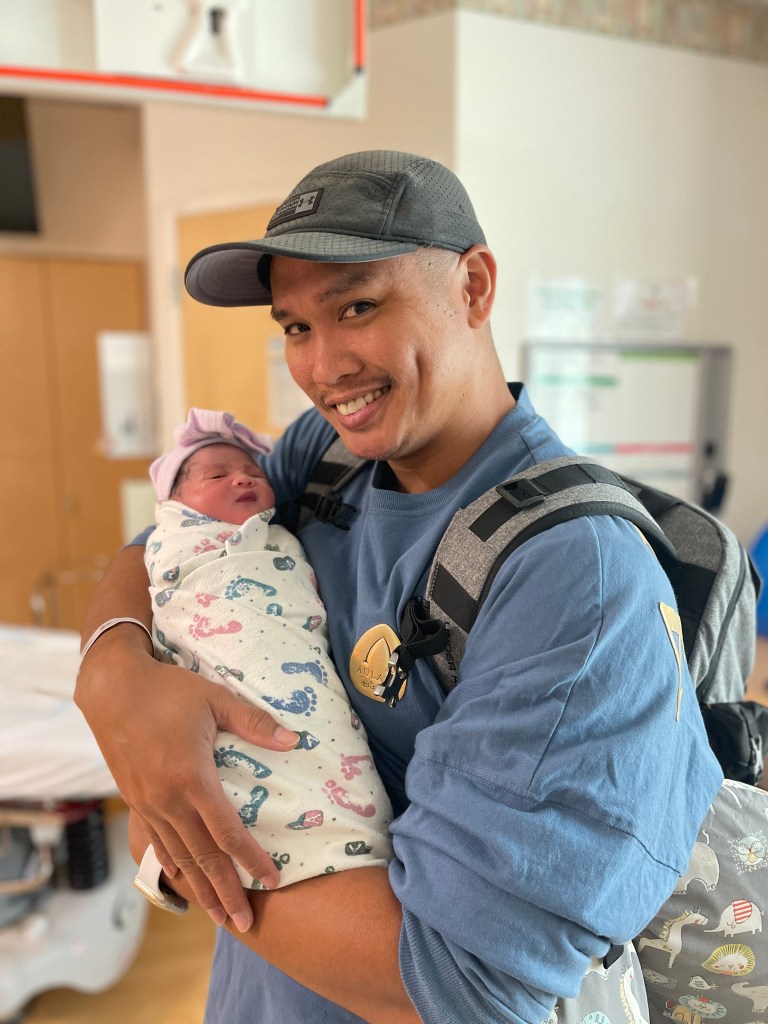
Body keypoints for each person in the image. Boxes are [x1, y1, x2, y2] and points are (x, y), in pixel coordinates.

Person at [75, 150, 723, 1024]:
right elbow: (169, 541)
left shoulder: (574, 580)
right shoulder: (329, 459)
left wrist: (176, 843)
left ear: (474, 287)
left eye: (358, 307)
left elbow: (461, 984)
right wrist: (112, 669)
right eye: (295, 327)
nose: (323, 366)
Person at [140, 406, 392, 892]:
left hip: (305, 685)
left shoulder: (277, 537)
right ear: (176, 504)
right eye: (218, 476)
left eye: (254, 473)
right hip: (222, 671)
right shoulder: (181, 542)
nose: (243, 479)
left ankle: (340, 837)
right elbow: (169, 603)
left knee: (327, 756)